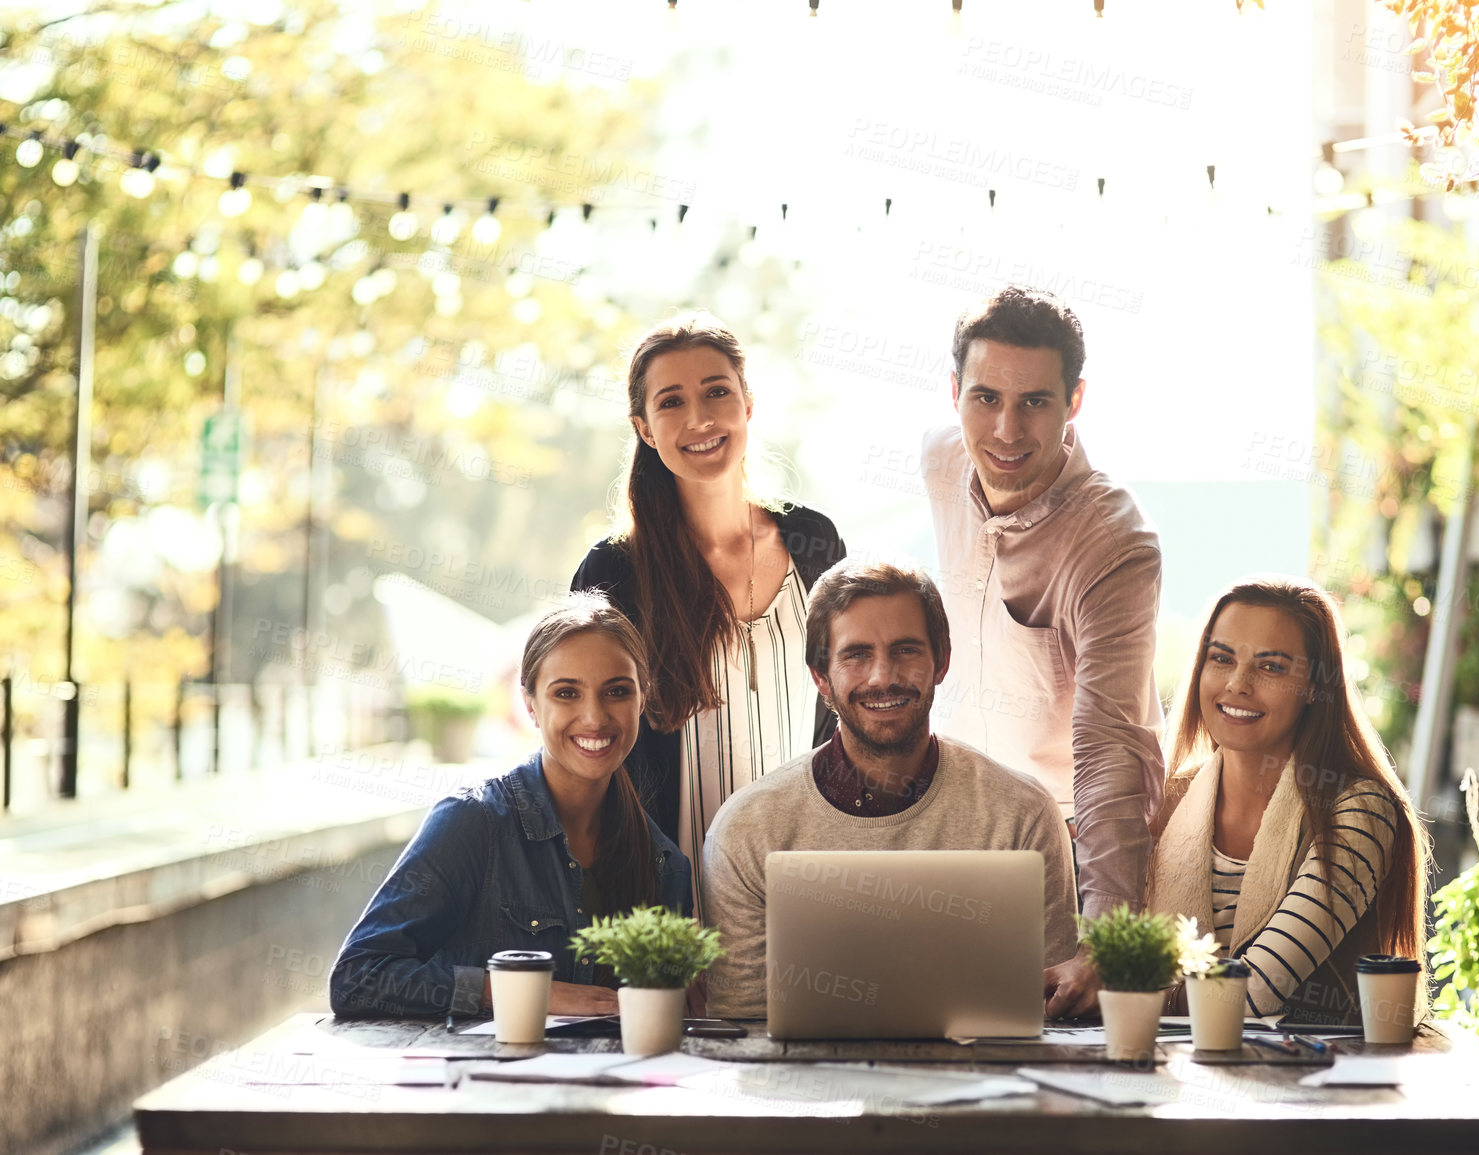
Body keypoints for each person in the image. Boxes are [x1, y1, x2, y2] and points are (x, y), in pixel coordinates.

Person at [921, 285, 1163, 1015]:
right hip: (959, 835)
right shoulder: (940, 462)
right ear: (954, 392)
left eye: (1034, 402)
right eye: (985, 398)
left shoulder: (1114, 540)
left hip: (1070, 846)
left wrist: (1107, 935)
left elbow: (1109, 748)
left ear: (1074, 401)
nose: (1005, 429)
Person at [701, 558, 1078, 1020]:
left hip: (984, 1088)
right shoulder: (746, 831)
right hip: (808, 1088)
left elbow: (1056, 1014)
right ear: (821, 675)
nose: (883, 676)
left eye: (905, 650)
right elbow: (741, 1029)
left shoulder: (1024, 816)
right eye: (857, 654)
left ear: (941, 662)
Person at [572, 313, 846, 916]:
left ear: (748, 404)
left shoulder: (814, 541)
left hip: (807, 886)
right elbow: (593, 760)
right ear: (644, 429)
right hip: (671, 901)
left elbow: (843, 720)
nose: (699, 418)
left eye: (717, 392)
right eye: (672, 402)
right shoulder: (615, 575)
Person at [329, 594, 691, 1019]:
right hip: (481, 1081)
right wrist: (518, 991)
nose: (594, 717)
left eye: (616, 691)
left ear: (642, 698)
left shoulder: (665, 864)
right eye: (567, 693)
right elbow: (357, 977)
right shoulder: (471, 823)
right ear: (531, 705)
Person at [1144, 576, 1431, 1022]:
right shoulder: (1162, 802)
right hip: (1173, 1077)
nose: (1237, 684)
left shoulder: (1358, 810)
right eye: (1221, 658)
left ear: (1316, 687)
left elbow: (1258, 991)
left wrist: (1129, 993)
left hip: (1312, 1082)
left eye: (1271, 667)